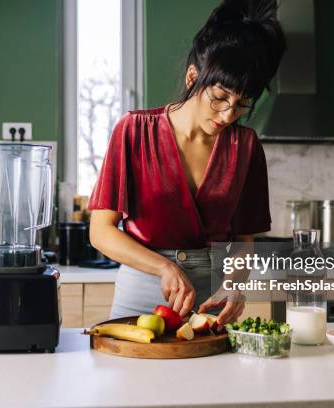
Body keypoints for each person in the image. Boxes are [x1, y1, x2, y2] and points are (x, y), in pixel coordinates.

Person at [88, 0, 286, 324]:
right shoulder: (134, 132)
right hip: (141, 291)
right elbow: (100, 231)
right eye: (220, 97)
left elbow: (244, 242)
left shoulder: (246, 146)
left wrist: (235, 286)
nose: (227, 115)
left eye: (241, 105)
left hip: (212, 300)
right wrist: (164, 267)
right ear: (193, 77)